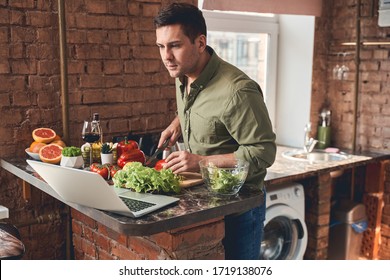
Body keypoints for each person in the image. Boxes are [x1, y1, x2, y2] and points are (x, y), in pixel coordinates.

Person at [154, 3, 276, 260]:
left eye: (174, 45)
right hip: (207, 201)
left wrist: (201, 162)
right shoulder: (184, 74)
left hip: (241, 208)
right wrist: (178, 121)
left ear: (200, 43)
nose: (166, 56)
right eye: (161, 46)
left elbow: (263, 152)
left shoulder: (238, 91)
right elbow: (204, 107)